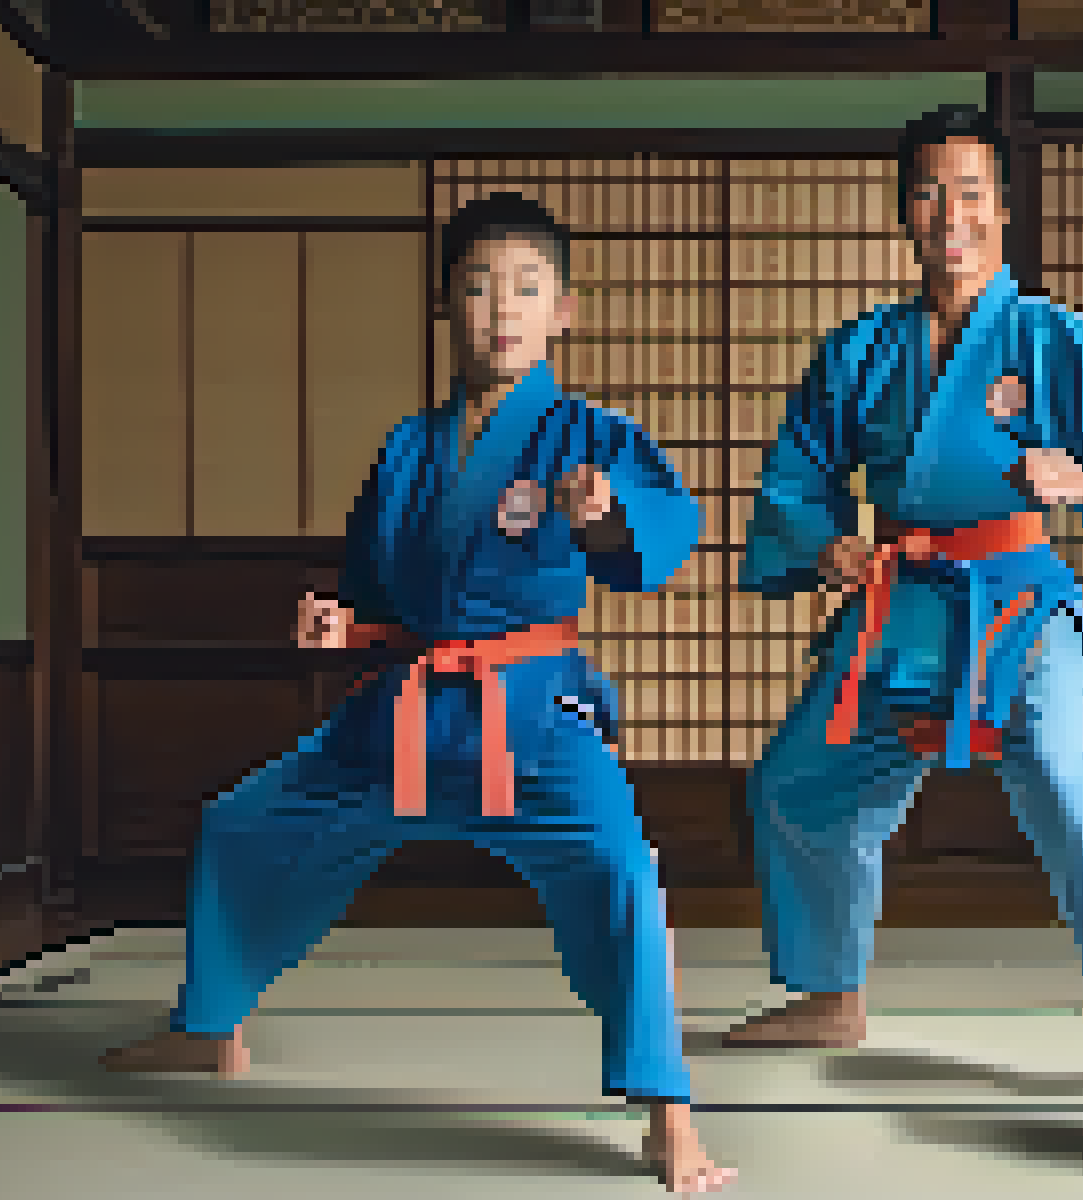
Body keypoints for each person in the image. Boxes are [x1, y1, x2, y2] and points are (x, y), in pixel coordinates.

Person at [97, 193, 737, 1194]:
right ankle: (208, 1028)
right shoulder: (407, 447)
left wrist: (604, 519)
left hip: (531, 715)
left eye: (526, 287)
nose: (502, 308)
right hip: (403, 713)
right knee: (240, 825)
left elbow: (651, 541)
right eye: (478, 287)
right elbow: (372, 594)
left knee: (621, 868)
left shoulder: (589, 436)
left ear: (563, 311)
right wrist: (339, 627)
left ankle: (668, 1113)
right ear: (447, 305)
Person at [722, 103, 1083, 1110]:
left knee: (1065, 780)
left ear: (1004, 209)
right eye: (930, 192)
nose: (952, 214)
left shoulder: (1051, 340)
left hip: (1018, 605)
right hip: (901, 608)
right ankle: (831, 993)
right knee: (796, 785)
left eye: (971, 192)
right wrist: (825, 542)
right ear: (906, 209)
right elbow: (798, 473)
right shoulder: (862, 350)